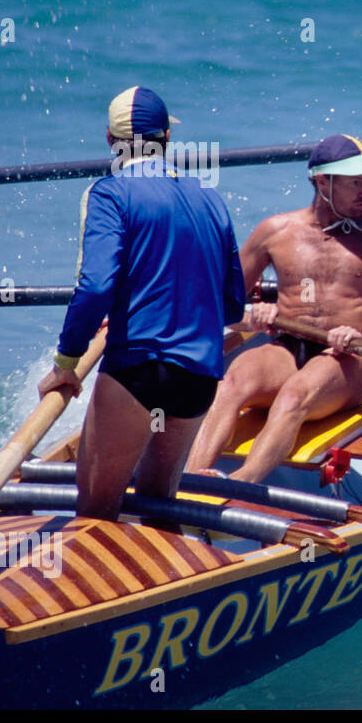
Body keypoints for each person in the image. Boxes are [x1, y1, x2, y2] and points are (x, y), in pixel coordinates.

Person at [37, 86, 246, 520]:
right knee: (159, 509)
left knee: (96, 509)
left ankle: (89, 586)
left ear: (110, 141)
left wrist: (66, 363)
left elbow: (95, 287)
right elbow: (232, 308)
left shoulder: (109, 193)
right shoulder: (211, 199)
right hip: (198, 376)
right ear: (168, 137)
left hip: (138, 370)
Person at [186, 134, 362, 483]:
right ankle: (190, 481)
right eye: (355, 182)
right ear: (323, 182)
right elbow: (217, 304)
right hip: (286, 348)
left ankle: (241, 484)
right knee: (231, 381)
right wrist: (252, 318)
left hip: (346, 362)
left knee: (294, 394)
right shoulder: (275, 232)